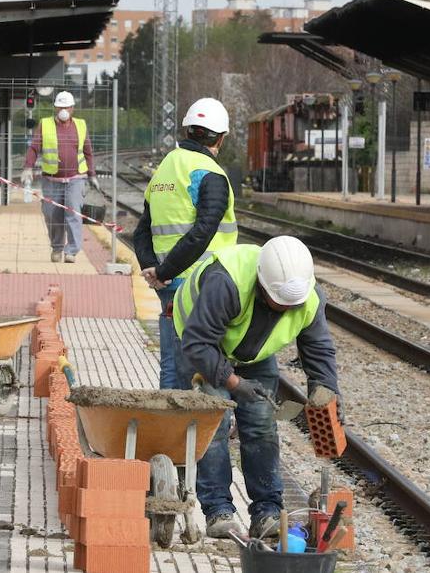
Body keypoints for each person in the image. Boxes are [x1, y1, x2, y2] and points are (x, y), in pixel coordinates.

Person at [174, 236, 341, 540]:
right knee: (215, 424)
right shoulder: (227, 282)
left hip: (252, 352)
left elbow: (318, 347)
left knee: (262, 425)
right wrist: (235, 383)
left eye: (293, 304)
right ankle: (218, 511)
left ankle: (266, 512)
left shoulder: (308, 295)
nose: (287, 309)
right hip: (200, 343)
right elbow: (197, 344)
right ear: (263, 286)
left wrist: (325, 388)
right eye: (280, 303)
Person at [133, 98, 237, 390]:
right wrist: (163, 271)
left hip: (170, 287)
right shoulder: (209, 173)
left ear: (188, 130)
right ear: (221, 138)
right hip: (206, 287)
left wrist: (153, 269)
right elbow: (202, 232)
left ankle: (171, 432)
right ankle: (210, 432)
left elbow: (142, 229)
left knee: (173, 366)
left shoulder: (165, 168)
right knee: (210, 367)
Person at [21, 91, 99, 263]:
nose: (63, 110)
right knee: (51, 214)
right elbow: (34, 147)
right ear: (55, 108)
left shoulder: (80, 125)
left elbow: (88, 151)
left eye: (67, 107)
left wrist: (92, 174)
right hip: (51, 180)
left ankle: (71, 250)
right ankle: (57, 247)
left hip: (75, 179)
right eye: (60, 107)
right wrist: (28, 167)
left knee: (74, 213)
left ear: (72, 108)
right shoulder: (45, 124)